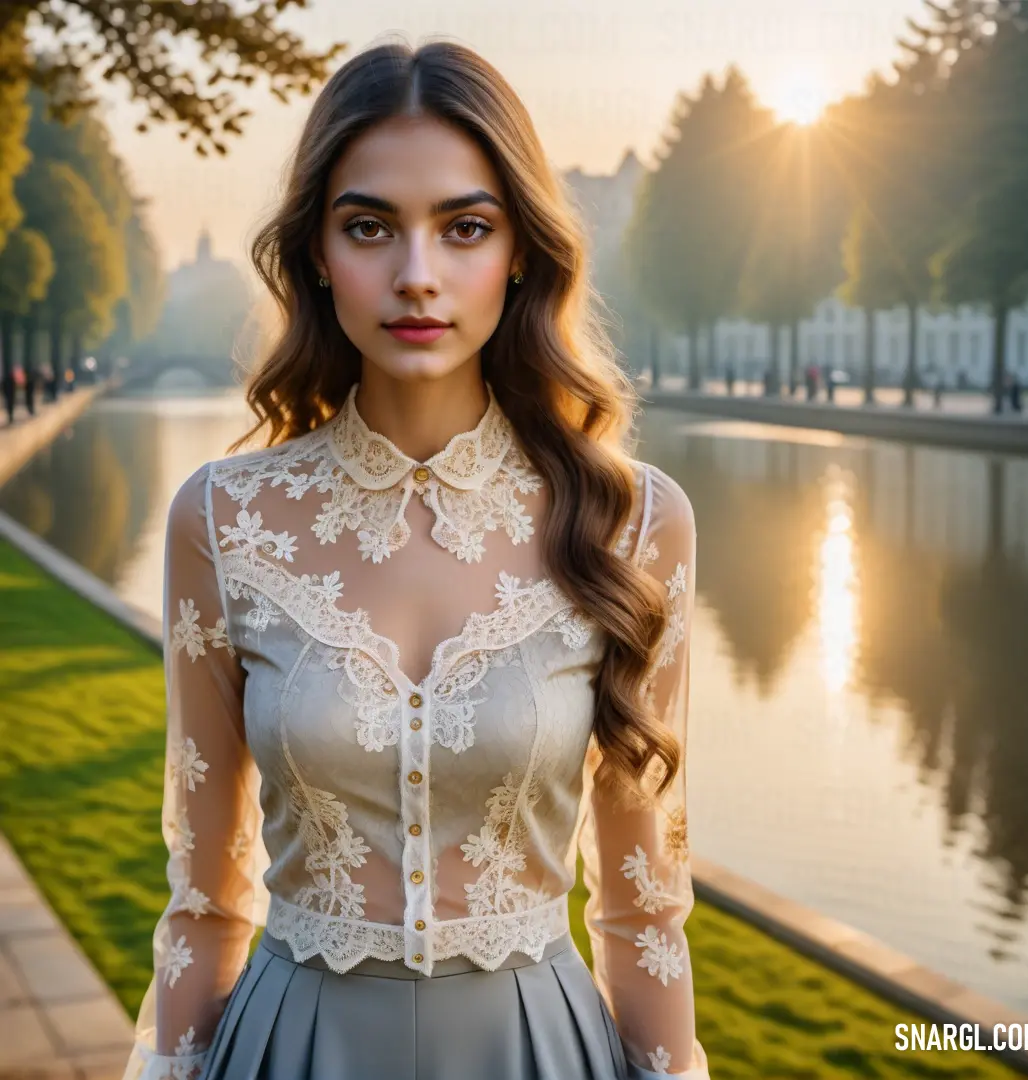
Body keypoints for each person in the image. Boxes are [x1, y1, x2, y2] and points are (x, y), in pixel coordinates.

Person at [122, 38, 708, 1080]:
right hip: (289, 1052)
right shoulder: (220, 520)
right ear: (315, 251)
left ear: (521, 249)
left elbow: (643, 908)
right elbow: (207, 901)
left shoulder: (636, 522)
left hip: (541, 1052)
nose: (417, 276)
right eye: (369, 227)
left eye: (465, 227)